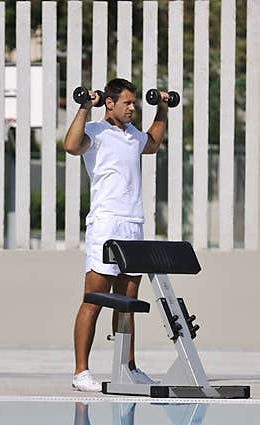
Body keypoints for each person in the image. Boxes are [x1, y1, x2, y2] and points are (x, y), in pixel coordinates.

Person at [64, 78, 172, 392]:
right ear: (109, 103)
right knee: (94, 299)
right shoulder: (95, 132)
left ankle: (128, 367)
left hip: (132, 224)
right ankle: (81, 371)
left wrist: (162, 108)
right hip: (106, 224)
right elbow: (71, 146)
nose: (132, 107)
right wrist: (85, 106)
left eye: (134, 103)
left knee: (127, 302)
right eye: (126, 102)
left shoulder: (132, 135)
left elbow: (152, 144)